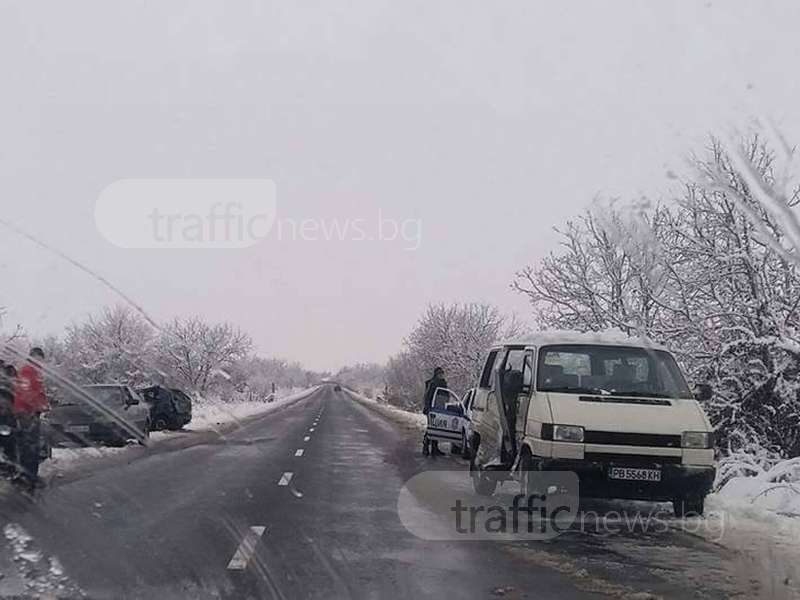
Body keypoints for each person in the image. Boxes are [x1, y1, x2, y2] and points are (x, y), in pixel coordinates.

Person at [13, 348, 48, 492]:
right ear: (31, 357)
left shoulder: (35, 372)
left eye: (40, 358)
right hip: (26, 413)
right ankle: (28, 478)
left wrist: (43, 404)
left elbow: (37, 392)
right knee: (29, 446)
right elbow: (24, 393)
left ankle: (30, 477)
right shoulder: (27, 371)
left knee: (31, 446)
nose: (38, 360)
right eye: (36, 357)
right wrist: (35, 406)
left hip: (31, 412)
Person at [422, 367, 448, 457]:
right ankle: (426, 446)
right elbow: (428, 396)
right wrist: (427, 407)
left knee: (437, 428)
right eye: (439, 374)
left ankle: (434, 448)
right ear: (436, 375)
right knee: (431, 428)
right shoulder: (433, 383)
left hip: (440, 408)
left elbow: (446, 395)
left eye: (442, 374)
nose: (441, 375)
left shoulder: (443, 383)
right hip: (432, 409)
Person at [0, 361, 16, 475]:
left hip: (6, 414)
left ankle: (9, 467)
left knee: (8, 442)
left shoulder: (9, 371)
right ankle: (9, 467)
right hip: (7, 414)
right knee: (8, 442)